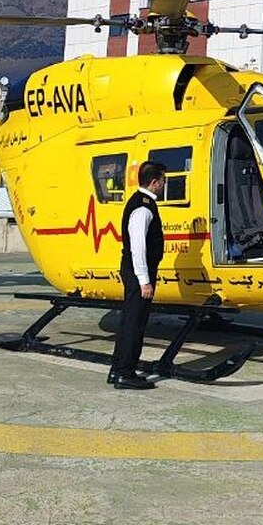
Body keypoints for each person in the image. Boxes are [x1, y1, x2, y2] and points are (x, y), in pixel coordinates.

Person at [108, 161, 167, 390]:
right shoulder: (143, 207)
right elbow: (138, 247)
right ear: (153, 182)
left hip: (135, 271)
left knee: (129, 321)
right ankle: (125, 373)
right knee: (135, 323)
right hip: (138, 272)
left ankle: (118, 369)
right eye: (162, 181)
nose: (163, 185)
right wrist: (144, 281)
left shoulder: (143, 203)